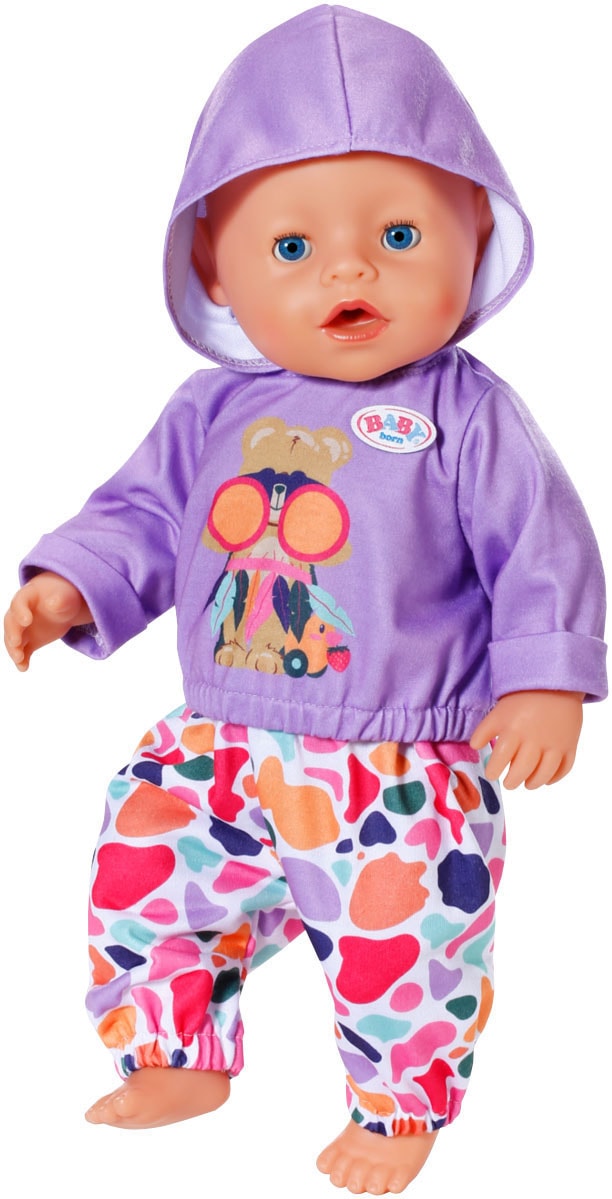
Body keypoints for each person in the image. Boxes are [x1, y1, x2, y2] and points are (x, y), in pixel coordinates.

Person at [3, 6, 606, 1194]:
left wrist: (547, 676)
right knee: (142, 858)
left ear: (477, 231)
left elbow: (540, 543)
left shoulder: (463, 410)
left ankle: (396, 1104)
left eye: (399, 233)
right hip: (218, 739)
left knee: (404, 939)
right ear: (212, 265)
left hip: (399, 757)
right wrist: (71, 582)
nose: (348, 269)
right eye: (291, 245)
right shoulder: (210, 408)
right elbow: (147, 515)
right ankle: (174, 1045)